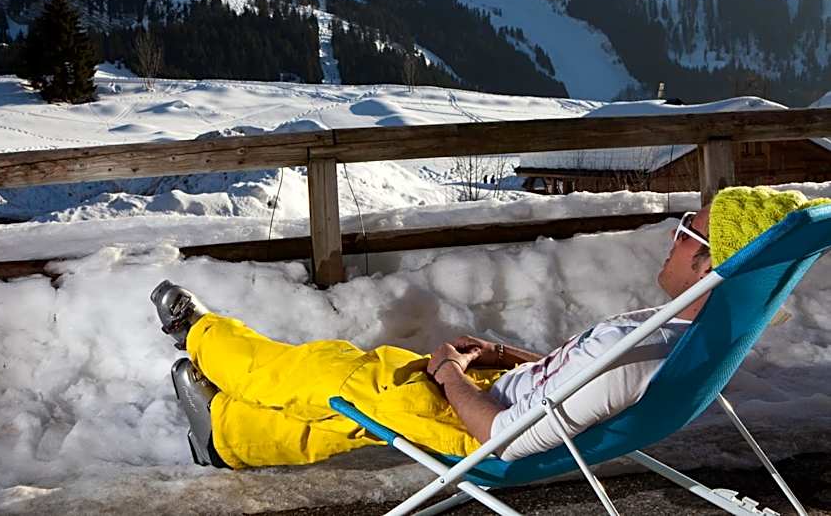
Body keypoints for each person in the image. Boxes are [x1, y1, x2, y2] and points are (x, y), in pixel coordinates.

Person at [153, 186, 829, 470]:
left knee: (336, 374)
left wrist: (449, 374)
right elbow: (578, 383)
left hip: (473, 423)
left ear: (711, 264)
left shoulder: (646, 355)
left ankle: (201, 335)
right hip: (501, 387)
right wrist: (503, 355)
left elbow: (504, 439)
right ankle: (229, 437)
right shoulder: (672, 342)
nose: (672, 237)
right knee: (349, 406)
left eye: (687, 230)